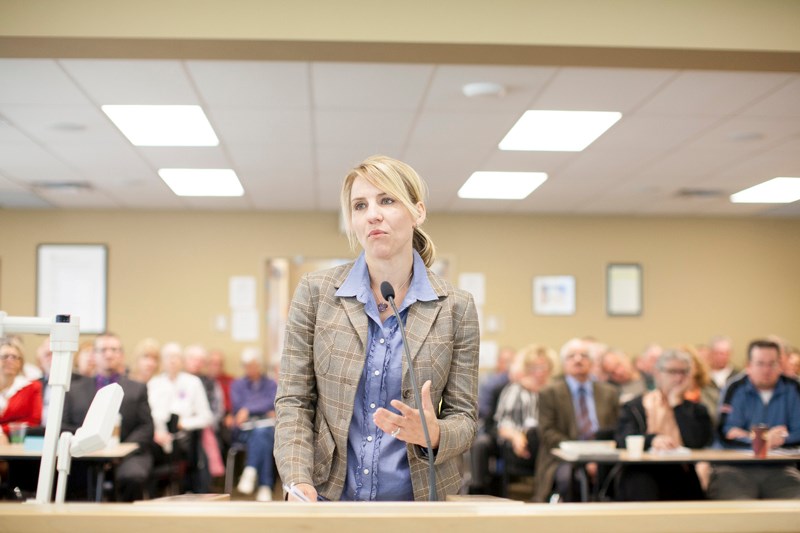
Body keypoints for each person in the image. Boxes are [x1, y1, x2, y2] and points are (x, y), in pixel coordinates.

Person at [275, 155, 480, 502]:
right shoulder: (316, 292)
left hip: (416, 502)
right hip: (326, 496)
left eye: (386, 200)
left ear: (418, 212)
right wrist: (297, 480)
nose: (372, 213)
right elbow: (294, 400)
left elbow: (465, 417)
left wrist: (436, 433)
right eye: (359, 205)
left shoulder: (456, 307)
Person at [62, 333, 154, 501]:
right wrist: (91, 440)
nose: (109, 354)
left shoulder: (137, 388)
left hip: (128, 453)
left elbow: (146, 427)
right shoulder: (74, 390)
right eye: (103, 350)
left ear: (122, 355)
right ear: (94, 355)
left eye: (114, 349)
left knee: (133, 476)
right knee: (67, 476)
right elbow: (63, 425)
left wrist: (122, 450)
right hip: (83, 453)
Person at [614, 349, 712, 501]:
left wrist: (677, 405)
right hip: (643, 470)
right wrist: (652, 440)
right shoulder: (635, 406)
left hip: (682, 470)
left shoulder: (697, 410)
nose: (679, 377)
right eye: (673, 371)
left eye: (684, 372)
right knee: (641, 483)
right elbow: (623, 438)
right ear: (658, 374)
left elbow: (697, 442)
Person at [708, 339, 800, 499]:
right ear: (748, 365)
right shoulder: (734, 388)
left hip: (781, 469)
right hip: (734, 468)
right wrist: (764, 440)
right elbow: (725, 435)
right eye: (760, 363)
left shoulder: (794, 388)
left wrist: (750, 436)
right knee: (738, 512)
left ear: (780, 364)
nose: (766, 370)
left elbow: (798, 434)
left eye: (772, 364)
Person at [533, 337, 620, 502]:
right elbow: (548, 433)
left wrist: (597, 457)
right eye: (572, 356)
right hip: (563, 457)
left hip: (605, 455)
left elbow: (617, 428)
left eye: (584, 356)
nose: (578, 359)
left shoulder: (610, 392)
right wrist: (582, 457)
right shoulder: (549, 393)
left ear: (592, 363)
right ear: (563, 363)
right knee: (570, 478)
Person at [147, 342, 214, 494]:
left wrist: (183, 424)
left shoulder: (192, 382)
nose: (172, 361)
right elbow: (148, 416)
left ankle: (187, 491)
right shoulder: (154, 383)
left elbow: (206, 417)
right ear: (162, 361)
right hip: (157, 437)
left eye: (176, 357)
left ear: (182, 360)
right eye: (168, 357)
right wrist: (157, 433)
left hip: (184, 437)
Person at [231, 348, 278, 502]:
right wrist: (262, 408)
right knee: (261, 434)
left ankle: (250, 470)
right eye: (247, 366)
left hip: (266, 427)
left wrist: (248, 408)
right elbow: (238, 405)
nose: (250, 369)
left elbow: (272, 401)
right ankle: (265, 486)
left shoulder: (270, 383)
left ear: (259, 366)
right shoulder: (237, 385)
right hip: (245, 430)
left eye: (253, 365)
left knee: (262, 433)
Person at [0, 338, 42, 439]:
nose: (10, 360)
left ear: (21, 363)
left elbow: (34, 421)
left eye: (14, 357)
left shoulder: (32, 387)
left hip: (18, 441)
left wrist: (3, 431)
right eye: (5, 356)